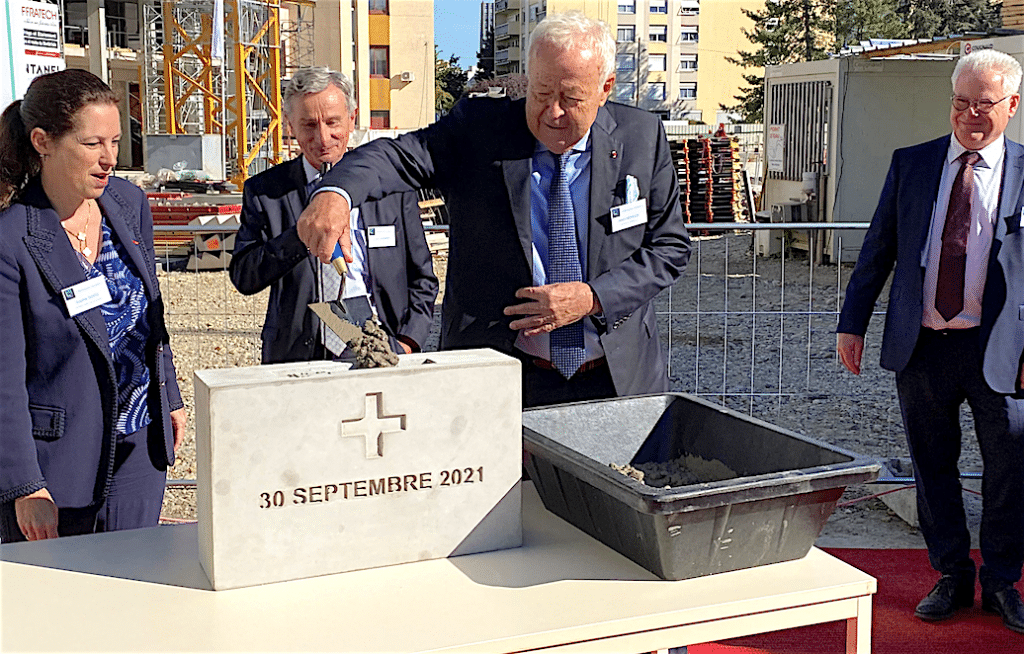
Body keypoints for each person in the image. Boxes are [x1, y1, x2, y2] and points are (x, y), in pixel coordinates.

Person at [296, 12, 690, 407]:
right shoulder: (482, 129)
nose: (552, 112)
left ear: (605, 89)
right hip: (504, 375)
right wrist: (335, 192)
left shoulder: (641, 136)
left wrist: (592, 297)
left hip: (616, 377)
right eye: (541, 93)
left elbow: (669, 247)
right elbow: (400, 155)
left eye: (570, 98)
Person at [837, 49, 1024, 633]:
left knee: (1009, 470)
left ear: (1011, 107)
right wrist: (852, 322)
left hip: (1001, 351)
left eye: (985, 104)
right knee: (931, 467)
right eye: (960, 102)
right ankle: (950, 573)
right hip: (923, 345)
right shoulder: (913, 164)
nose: (971, 114)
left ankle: (1000, 581)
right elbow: (879, 248)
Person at [0, 69, 186, 542]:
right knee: (67, 604)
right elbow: (3, 376)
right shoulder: (12, 237)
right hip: (59, 464)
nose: (109, 160)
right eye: (91, 144)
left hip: (140, 444)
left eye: (116, 142)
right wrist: (25, 485)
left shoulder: (128, 203)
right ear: (43, 141)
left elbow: (151, 315)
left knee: (136, 588)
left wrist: (170, 395)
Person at [229, 67, 437, 363]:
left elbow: (423, 277)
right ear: (290, 125)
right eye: (309, 125)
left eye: (332, 122)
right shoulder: (266, 192)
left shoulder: (393, 189)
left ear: (352, 119)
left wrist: (408, 341)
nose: (323, 137)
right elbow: (245, 277)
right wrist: (302, 236)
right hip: (298, 354)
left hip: (380, 346)